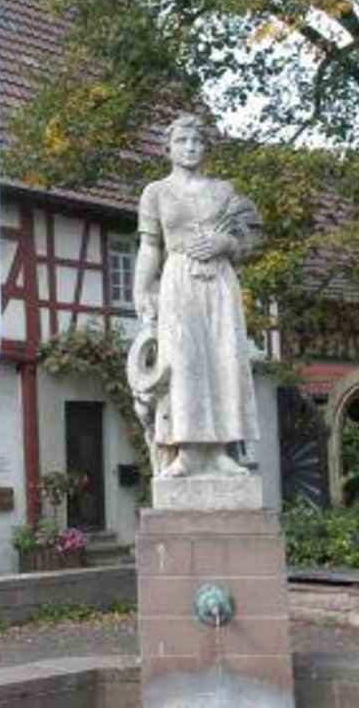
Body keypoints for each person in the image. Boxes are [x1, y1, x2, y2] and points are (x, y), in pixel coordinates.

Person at [132, 114, 261, 478]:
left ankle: (221, 451)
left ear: (206, 147)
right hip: (178, 279)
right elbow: (150, 246)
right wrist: (141, 288)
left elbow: (247, 242)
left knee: (223, 359)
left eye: (197, 141)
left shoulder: (224, 190)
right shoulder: (156, 192)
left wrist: (225, 243)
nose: (190, 148)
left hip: (219, 281)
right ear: (168, 148)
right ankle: (187, 451)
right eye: (182, 141)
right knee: (182, 361)